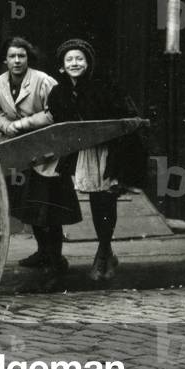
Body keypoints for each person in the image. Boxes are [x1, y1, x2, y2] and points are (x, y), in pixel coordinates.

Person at [47, 38, 140, 281]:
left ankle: (103, 252)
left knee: (105, 200)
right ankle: (107, 251)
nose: (74, 63)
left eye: (79, 59)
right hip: (85, 153)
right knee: (97, 201)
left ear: (88, 63)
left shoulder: (105, 86)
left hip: (110, 150)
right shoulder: (59, 92)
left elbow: (126, 119)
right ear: (62, 66)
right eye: (69, 60)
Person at [0, 36, 80, 278]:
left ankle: (55, 258)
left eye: (22, 56)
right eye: (12, 56)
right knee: (30, 207)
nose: (17, 61)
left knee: (49, 207)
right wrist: (6, 126)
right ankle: (42, 252)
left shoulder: (43, 81)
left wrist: (22, 124)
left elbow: (55, 113)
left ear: (28, 58)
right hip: (19, 153)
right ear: (5, 60)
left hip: (47, 152)